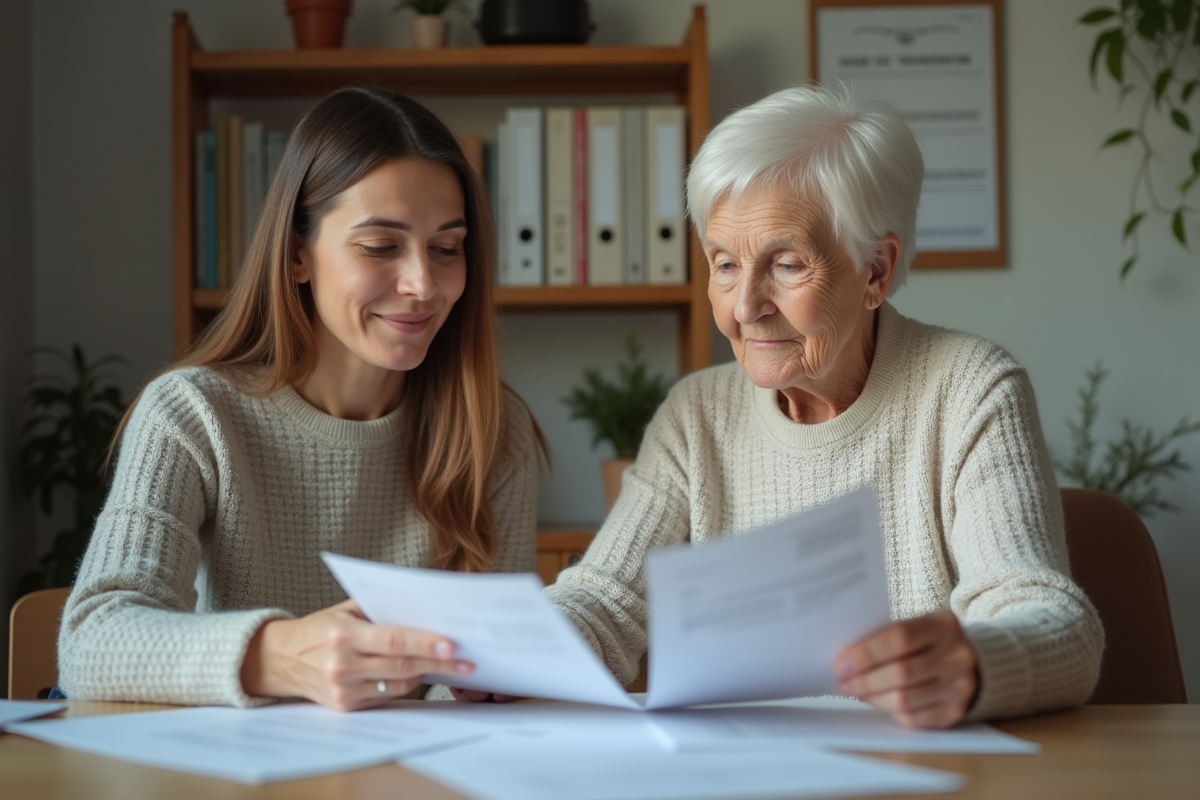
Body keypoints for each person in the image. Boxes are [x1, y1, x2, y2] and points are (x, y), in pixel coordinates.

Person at [545, 84, 1104, 729]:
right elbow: (606, 601)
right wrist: (507, 659)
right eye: (724, 264)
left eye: (785, 264)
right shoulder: (695, 415)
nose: (745, 304)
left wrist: (978, 662)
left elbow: (1055, 623)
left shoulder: (971, 389)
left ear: (875, 271)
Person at [58, 87, 542, 711]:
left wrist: (497, 676)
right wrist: (283, 655)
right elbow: (92, 640)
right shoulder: (190, 414)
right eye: (380, 246)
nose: (423, 284)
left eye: (447, 249)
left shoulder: (494, 430)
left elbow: (488, 692)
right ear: (296, 256)